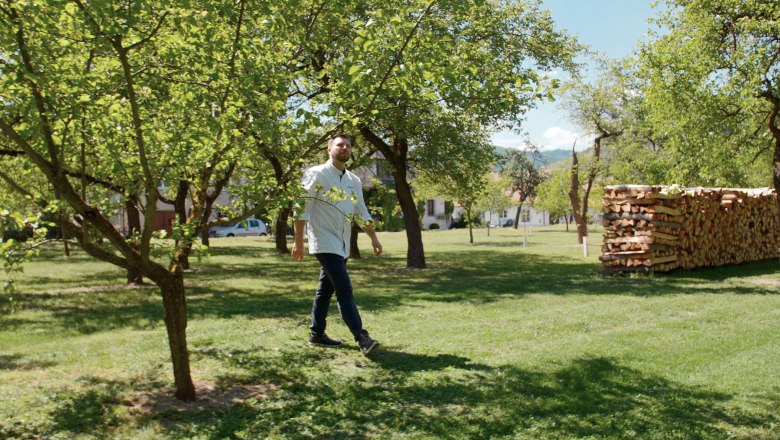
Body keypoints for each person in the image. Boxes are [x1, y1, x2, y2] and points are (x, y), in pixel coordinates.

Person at [292, 133, 382, 354]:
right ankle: (362, 337)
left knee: (325, 290)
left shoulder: (354, 180)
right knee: (344, 288)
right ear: (329, 149)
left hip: (342, 243)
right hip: (323, 240)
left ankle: (317, 333)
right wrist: (298, 241)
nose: (345, 148)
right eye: (340, 145)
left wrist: (373, 237)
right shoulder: (316, 174)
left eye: (348, 146)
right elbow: (302, 208)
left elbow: (361, 211)